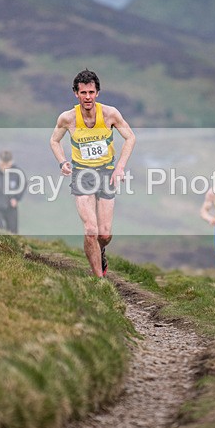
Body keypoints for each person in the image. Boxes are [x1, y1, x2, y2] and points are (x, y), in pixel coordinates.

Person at [49, 69, 136, 278]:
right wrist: (62, 162)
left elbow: (130, 137)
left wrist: (120, 167)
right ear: (76, 94)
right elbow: (54, 140)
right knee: (90, 229)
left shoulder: (110, 114)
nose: (87, 97)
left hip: (106, 173)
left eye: (91, 92)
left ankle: (101, 250)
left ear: (97, 93)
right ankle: (99, 280)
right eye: (83, 93)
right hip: (82, 175)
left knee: (104, 234)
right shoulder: (67, 118)